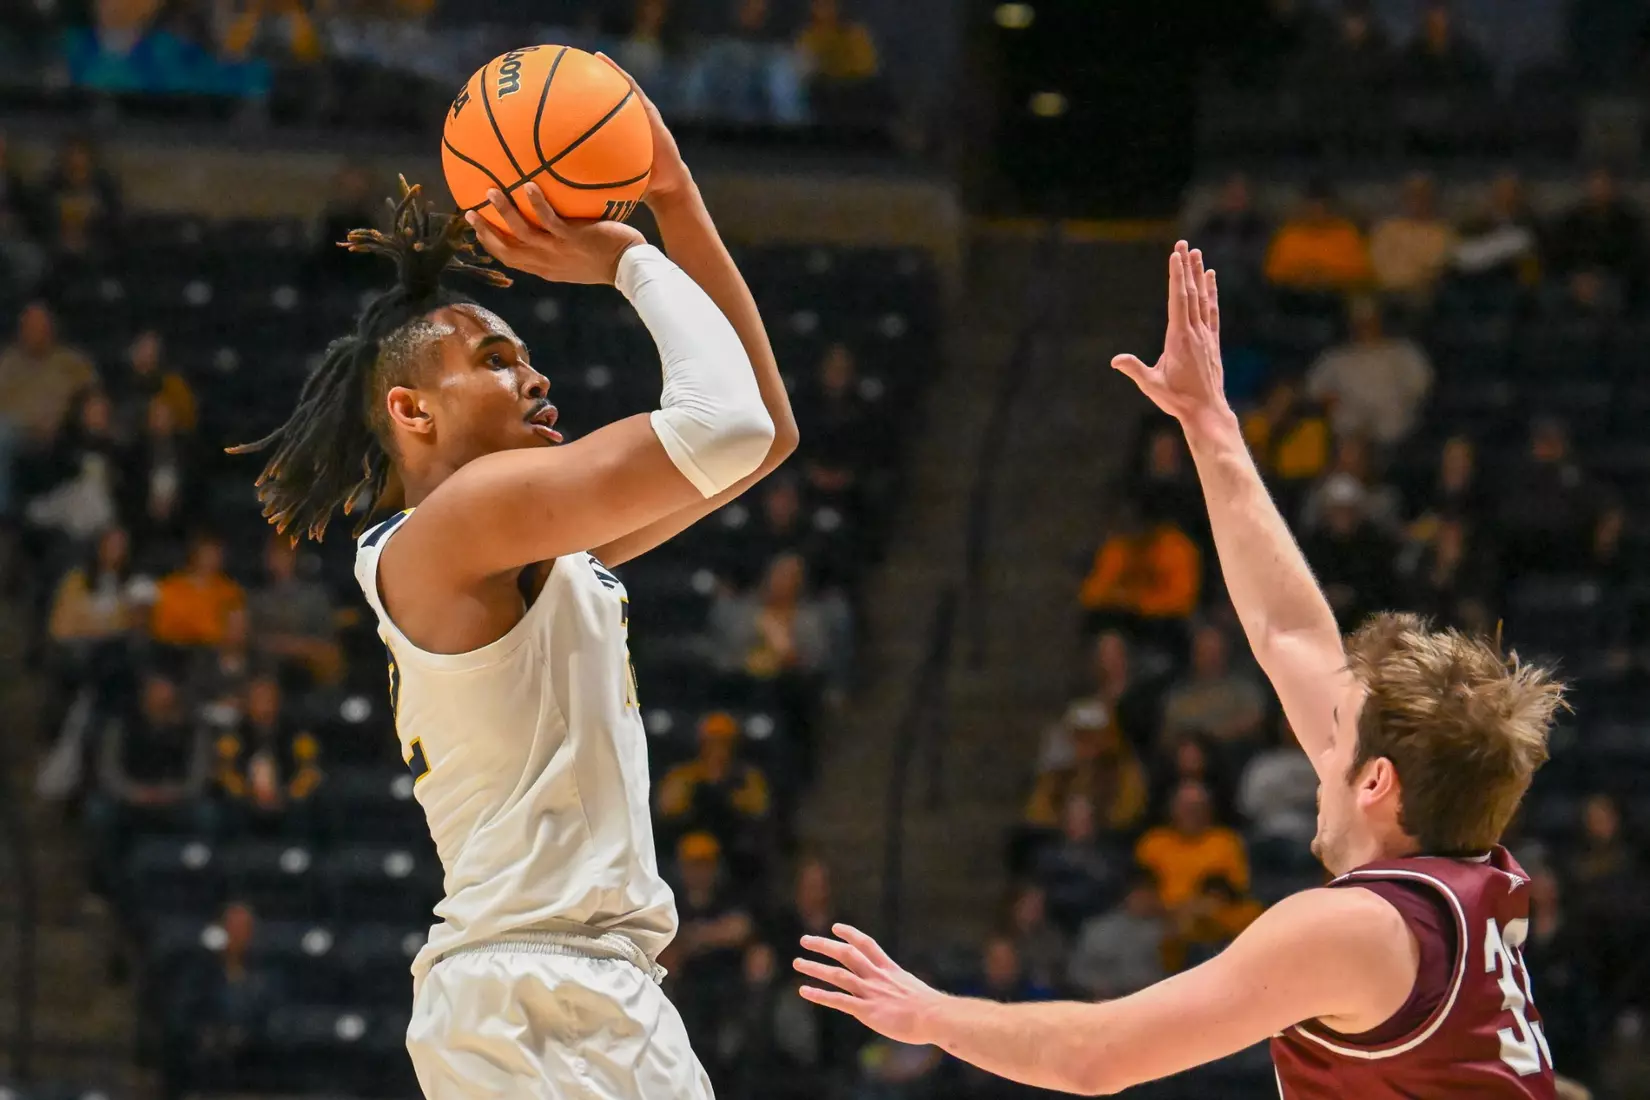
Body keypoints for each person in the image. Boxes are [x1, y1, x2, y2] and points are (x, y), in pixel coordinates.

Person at [792, 242, 1566, 1098]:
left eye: (1335, 733)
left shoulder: (1357, 927)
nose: (1317, 737)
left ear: (1378, 781)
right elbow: (1289, 633)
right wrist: (1211, 426)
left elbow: (1097, 1056)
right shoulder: (1470, 870)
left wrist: (929, 1013)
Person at [229, 62, 794, 1099]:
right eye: (495, 358)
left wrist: (675, 196)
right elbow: (729, 426)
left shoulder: (522, 551)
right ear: (412, 413)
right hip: (537, 994)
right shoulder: (457, 525)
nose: (536, 376)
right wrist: (626, 253)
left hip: (577, 993)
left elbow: (763, 436)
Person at [1305, 295, 1433, 447]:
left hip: (1393, 431)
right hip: (1348, 435)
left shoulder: (1403, 351)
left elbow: (1421, 385)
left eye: (1369, 321)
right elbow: (1314, 390)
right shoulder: (1336, 357)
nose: (1365, 327)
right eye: (1359, 322)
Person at [246, 532, 342, 685]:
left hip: (309, 656)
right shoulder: (258, 598)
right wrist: (286, 645)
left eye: (285, 554)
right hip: (270, 661)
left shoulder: (315, 596)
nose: (280, 560)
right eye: (275, 554)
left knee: (330, 654)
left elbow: (327, 635)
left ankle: (329, 701)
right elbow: (253, 638)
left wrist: (301, 646)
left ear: (296, 557)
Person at [1066, 870, 1167, 1001]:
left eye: (1151, 894)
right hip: (1108, 1002)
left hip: (1151, 1002)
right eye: (1141, 894)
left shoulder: (1164, 930)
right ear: (1127, 896)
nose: (1147, 900)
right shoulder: (1100, 929)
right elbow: (1077, 972)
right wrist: (1101, 986)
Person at [1160, 623, 1266, 748]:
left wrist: (1210, 736)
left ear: (1225, 652)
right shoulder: (1179, 697)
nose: (1210, 658)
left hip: (1237, 754)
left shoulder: (1243, 689)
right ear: (1193, 654)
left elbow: (1254, 722)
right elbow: (1168, 736)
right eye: (1204, 652)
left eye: (1215, 651)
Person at [1368, 172, 1458, 298]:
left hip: (1420, 294)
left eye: (1423, 195)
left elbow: (1435, 268)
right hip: (1384, 291)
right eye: (1412, 195)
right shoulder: (1386, 229)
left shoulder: (1443, 233)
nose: (1417, 201)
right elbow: (1377, 264)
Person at [149, 532, 246, 649]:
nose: (212, 559)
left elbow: (234, 631)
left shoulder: (230, 591)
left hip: (214, 653)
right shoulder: (170, 587)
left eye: (216, 554)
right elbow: (161, 628)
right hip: (173, 652)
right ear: (194, 555)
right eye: (207, 554)